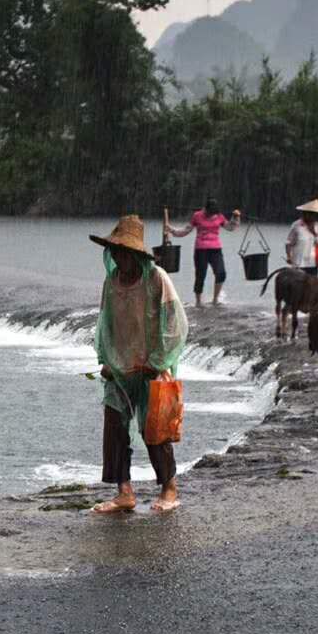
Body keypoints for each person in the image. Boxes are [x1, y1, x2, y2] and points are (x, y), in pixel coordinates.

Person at [88, 214, 189, 514]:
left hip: (152, 365)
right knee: (115, 425)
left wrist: (158, 361)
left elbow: (175, 322)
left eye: (124, 252)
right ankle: (124, 492)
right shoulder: (112, 281)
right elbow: (104, 323)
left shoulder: (156, 278)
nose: (119, 257)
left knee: (154, 428)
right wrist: (105, 360)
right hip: (120, 367)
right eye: (115, 251)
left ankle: (169, 487)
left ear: (136, 254)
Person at [163, 198, 242, 307]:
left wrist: (235, 217)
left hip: (215, 249)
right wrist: (172, 230)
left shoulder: (219, 216)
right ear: (206, 209)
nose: (211, 215)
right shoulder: (197, 215)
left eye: (213, 213)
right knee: (200, 275)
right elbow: (186, 230)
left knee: (221, 273)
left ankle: (215, 299)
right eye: (209, 213)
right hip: (201, 250)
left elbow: (230, 227)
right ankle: (198, 302)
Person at [285, 198, 318, 277]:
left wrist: (314, 233)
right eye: (310, 214)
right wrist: (289, 256)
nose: (312, 217)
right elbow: (288, 243)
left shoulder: (317, 226)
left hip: (312, 263)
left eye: (314, 215)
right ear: (305, 214)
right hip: (299, 263)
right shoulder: (297, 225)